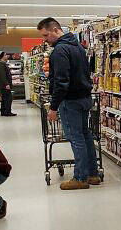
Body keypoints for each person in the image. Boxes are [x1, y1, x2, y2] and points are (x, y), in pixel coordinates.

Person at [36, 18, 101, 191]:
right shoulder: (78, 47)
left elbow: (61, 81)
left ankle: (80, 177)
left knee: (76, 137)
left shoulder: (59, 50)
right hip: (84, 98)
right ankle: (93, 174)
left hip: (70, 101)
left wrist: (54, 107)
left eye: (46, 35)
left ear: (56, 30)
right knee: (86, 135)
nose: (45, 39)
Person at [0, 52, 16, 117]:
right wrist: (6, 84)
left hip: (3, 84)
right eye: (5, 55)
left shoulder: (2, 63)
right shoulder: (0, 64)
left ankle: (3, 111)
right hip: (4, 85)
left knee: (4, 98)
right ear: (2, 56)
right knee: (8, 98)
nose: (7, 56)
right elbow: (2, 75)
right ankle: (7, 112)